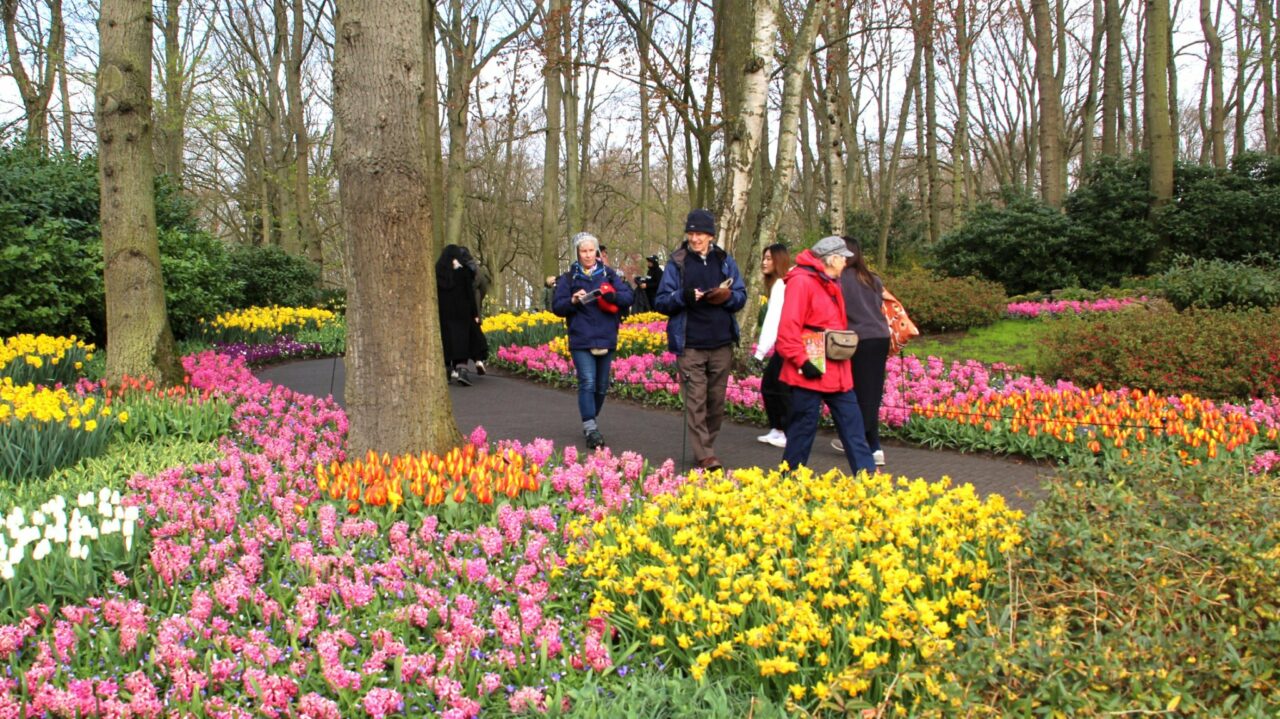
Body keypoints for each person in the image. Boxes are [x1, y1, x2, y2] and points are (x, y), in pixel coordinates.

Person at [774, 236, 876, 474]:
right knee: (803, 429)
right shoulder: (802, 282)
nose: (845, 264)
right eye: (843, 259)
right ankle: (789, 480)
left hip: (836, 369)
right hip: (810, 366)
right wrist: (802, 361)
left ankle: (868, 478)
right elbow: (788, 329)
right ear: (832, 259)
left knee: (853, 425)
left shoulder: (829, 282)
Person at [654, 209, 747, 471]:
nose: (695, 239)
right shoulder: (677, 262)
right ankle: (705, 455)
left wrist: (727, 296)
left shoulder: (724, 261)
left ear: (711, 236)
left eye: (700, 234)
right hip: (690, 344)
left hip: (721, 343)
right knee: (696, 401)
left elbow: (741, 295)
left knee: (715, 402)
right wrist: (682, 296)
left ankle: (706, 447)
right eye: (691, 233)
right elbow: (661, 301)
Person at [552, 232, 635, 449]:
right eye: (583, 251)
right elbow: (557, 307)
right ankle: (590, 427)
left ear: (596, 252)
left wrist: (613, 296)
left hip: (607, 336)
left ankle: (591, 420)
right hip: (581, 337)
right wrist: (572, 300)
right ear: (577, 253)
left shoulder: (609, 274)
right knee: (587, 382)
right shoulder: (569, 278)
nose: (588, 255)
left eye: (591, 251)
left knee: (601, 386)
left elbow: (628, 297)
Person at [830, 236, 891, 466]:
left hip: (855, 339)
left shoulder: (840, 280)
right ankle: (873, 444)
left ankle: (860, 440)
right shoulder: (872, 279)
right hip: (880, 337)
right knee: (872, 391)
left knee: (853, 390)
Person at [753, 243, 792, 448]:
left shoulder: (780, 285)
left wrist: (760, 351)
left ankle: (786, 430)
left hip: (788, 344)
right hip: (785, 343)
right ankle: (778, 428)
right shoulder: (779, 284)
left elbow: (773, 319)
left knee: (777, 386)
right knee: (772, 385)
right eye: (764, 258)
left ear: (779, 261)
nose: (764, 262)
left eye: (769, 259)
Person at [436, 244, 490, 386]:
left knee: (446, 340)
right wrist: (475, 313)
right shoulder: (463, 272)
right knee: (462, 340)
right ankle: (462, 370)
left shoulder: (437, 273)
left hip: (443, 313)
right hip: (462, 313)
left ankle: (446, 369)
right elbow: (469, 294)